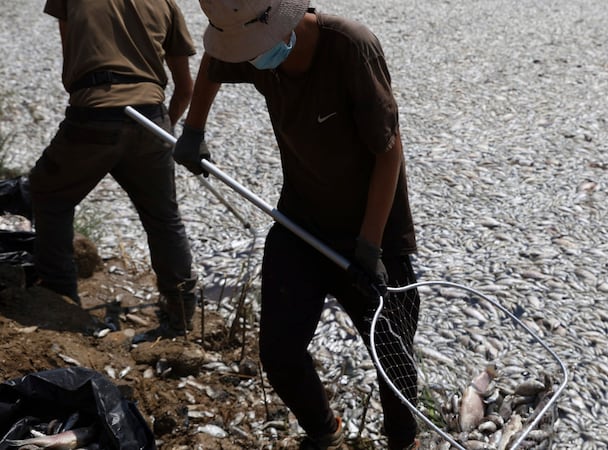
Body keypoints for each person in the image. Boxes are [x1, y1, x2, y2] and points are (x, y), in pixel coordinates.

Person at [174, 1, 421, 448]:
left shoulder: (350, 47)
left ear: (280, 21)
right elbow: (213, 61)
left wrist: (369, 246)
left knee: (393, 356)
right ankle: (326, 432)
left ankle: (404, 442)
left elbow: (389, 150)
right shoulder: (253, 50)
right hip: (300, 221)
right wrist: (193, 129)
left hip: (374, 232)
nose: (250, 57)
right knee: (279, 351)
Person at [30, 0, 200, 333]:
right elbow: (185, 88)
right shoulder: (166, 3)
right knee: (163, 218)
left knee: (48, 195)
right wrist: (161, 131)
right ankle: (181, 313)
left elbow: (71, 69)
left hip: (92, 115)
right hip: (151, 117)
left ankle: (61, 300)